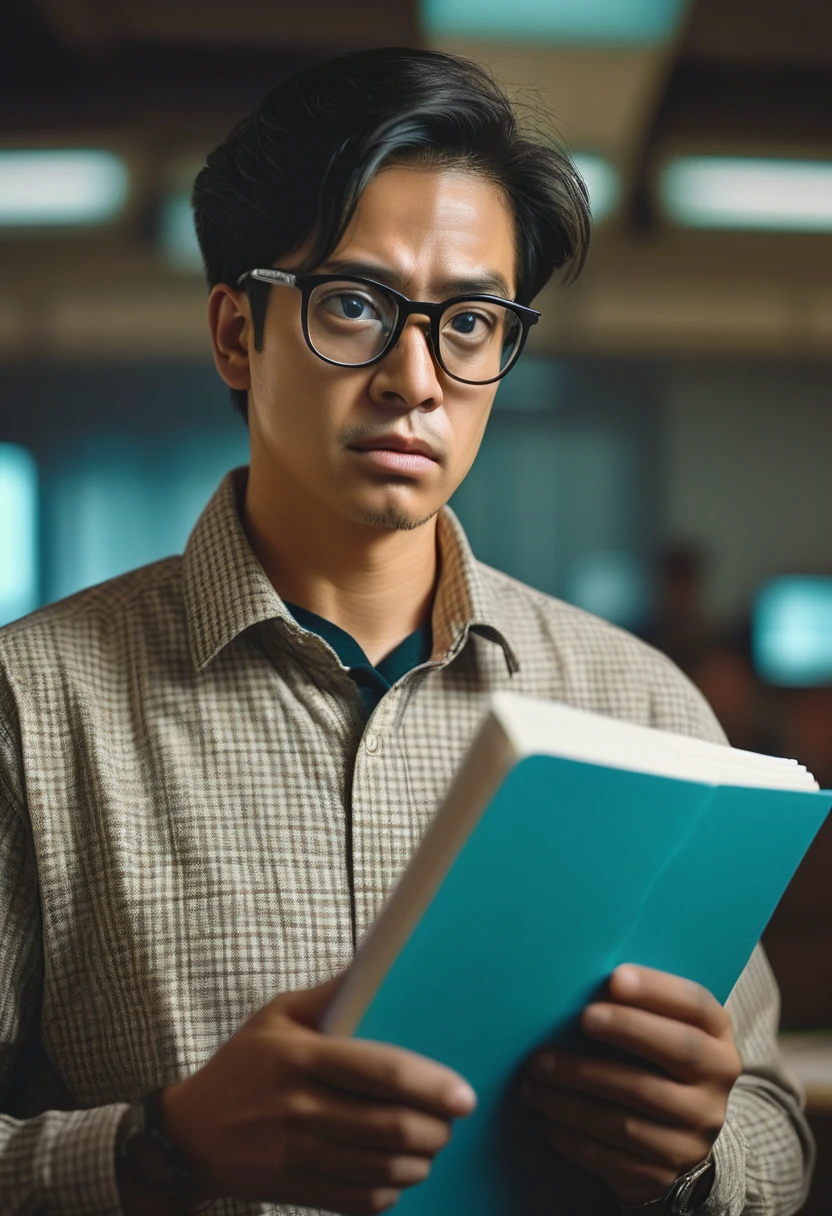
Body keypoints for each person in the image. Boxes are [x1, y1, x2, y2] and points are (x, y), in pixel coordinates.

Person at [0, 47, 813, 1216]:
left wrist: (693, 1157)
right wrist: (159, 1148)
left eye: (470, 320)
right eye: (353, 305)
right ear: (237, 332)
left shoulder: (637, 707)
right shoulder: (34, 710)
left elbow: (774, 1130)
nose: (414, 378)